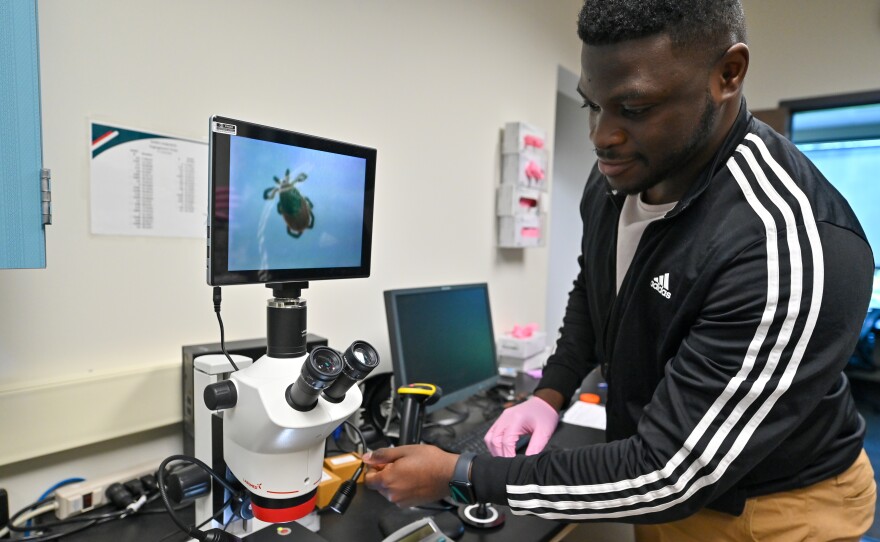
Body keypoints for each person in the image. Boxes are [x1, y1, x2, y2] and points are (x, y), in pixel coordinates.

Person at [364, 1, 877, 539]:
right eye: (594, 105)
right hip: (662, 486)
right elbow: (596, 287)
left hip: (774, 505)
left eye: (633, 108)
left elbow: (673, 475)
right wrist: (550, 392)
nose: (601, 137)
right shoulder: (618, 177)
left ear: (728, 74)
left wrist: (462, 475)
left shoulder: (784, 244)